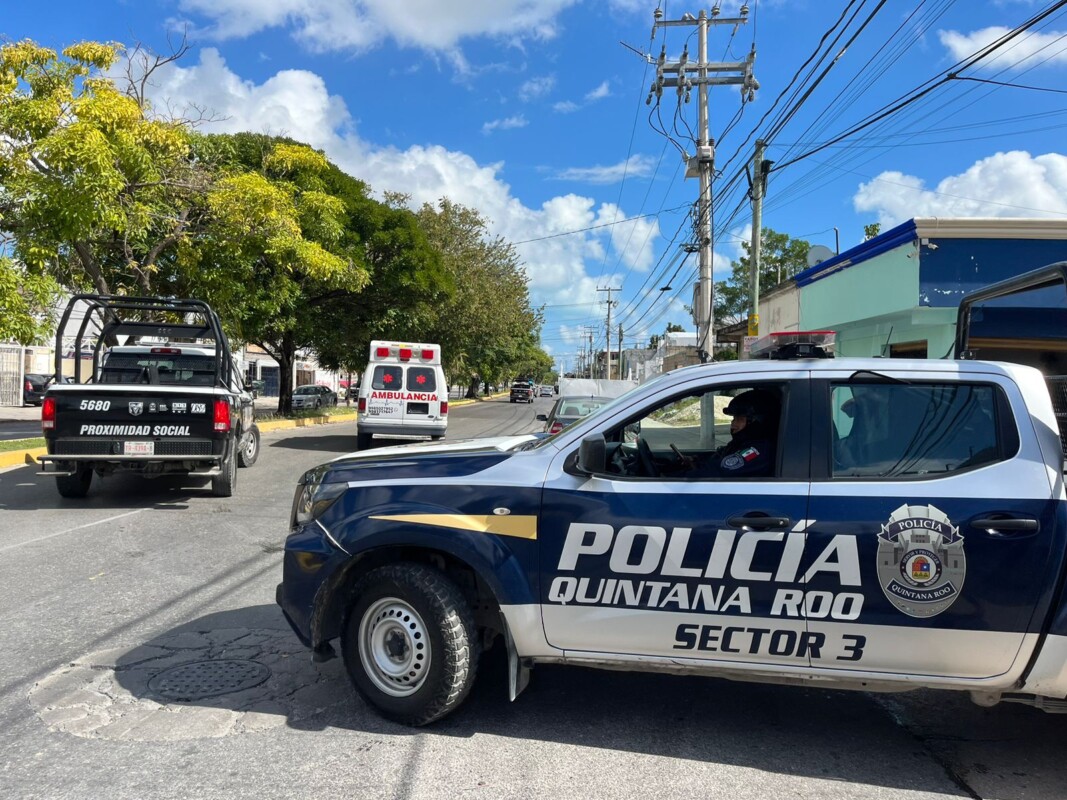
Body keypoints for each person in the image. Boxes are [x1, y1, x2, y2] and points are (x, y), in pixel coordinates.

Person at [686, 389, 779, 478]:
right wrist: (696, 460)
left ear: (756, 423)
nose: (733, 423)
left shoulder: (757, 451)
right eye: (734, 418)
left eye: (740, 419)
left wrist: (676, 476)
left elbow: (716, 472)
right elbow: (720, 456)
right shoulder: (742, 443)